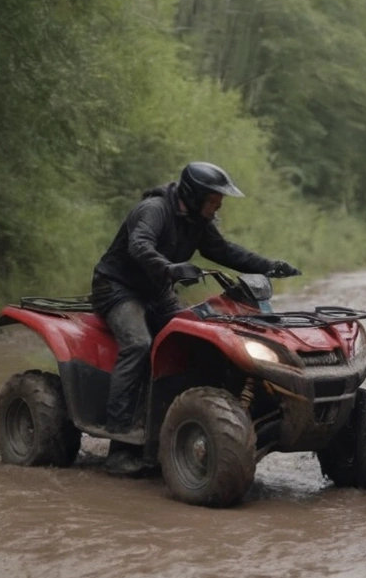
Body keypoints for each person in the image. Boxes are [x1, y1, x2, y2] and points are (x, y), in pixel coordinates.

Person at [91, 161, 298, 436]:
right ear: (194, 196)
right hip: (117, 288)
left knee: (191, 336)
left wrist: (267, 266)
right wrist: (170, 268)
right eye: (214, 199)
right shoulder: (154, 209)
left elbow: (223, 250)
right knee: (138, 344)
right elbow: (139, 245)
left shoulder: (198, 221)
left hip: (157, 291)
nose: (219, 206)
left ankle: (171, 418)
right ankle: (119, 430)